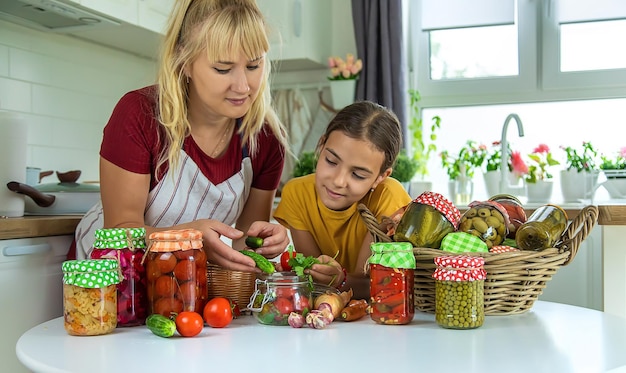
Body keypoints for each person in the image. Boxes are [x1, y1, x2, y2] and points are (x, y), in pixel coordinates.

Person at [72, 0, 291, 272]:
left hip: (184, 281)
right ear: (185, 61)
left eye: (254, 65)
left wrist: (266, 241)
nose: (243, 86)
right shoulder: (139, 114)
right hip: (111, 276)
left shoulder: (266, 138)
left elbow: (245, 241)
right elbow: (119, 233)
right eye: (223, 69)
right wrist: (187, 238)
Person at [273, 101, 412, 299]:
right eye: (331, 161)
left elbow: (373, 283)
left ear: (381, 176)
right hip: (327, 312)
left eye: (358, 175)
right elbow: (314, 278)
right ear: (322, 145)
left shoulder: (388, 197)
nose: (338, 181)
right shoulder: (297, 193)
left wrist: (341, 280)